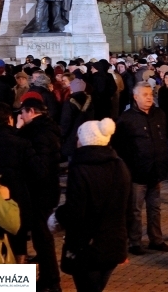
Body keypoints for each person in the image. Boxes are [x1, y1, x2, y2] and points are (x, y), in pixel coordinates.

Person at [54, 118, 130, 292]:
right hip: (113, 243)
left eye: (79, 136)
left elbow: (75, 210)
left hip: (87, 245)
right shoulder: (120, 165)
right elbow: (128, 207)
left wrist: (57, 217)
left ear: (86, 140)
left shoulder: (80, 169)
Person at [113, 82, 168, 255]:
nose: (149, 97)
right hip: (137, 172)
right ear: (135, 97)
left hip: (156, 171)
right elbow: (119, 147)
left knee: (155, 208)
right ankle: (135, 242)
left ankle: (156, 239)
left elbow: (164, 139)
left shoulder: (159, 114)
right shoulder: (126, 118)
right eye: (145, 94)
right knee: (135, 210)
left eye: (150, 94)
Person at [0, 104, 37, 264]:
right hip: (18, 193)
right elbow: (34, 170)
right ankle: (19, 269)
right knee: (18, 235)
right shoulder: (22, 142)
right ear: (10, 119)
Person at [18, 97, 62, 291]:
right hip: (47, 190)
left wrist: (19, 132)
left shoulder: (36, 132)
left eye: (23, 112)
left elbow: (39, 166)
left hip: (38, 192)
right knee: (42, 237)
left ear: (31, 112)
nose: (21, 116)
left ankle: (50, 280)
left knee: (42, 238)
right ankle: (49, 277)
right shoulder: (48, 129)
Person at [60, 78, 95, 160]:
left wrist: (63, 134)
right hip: (87, 132)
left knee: (72, 157)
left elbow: (66, 120)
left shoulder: (70, 101)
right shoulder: (90, 100)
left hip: (73, 134)